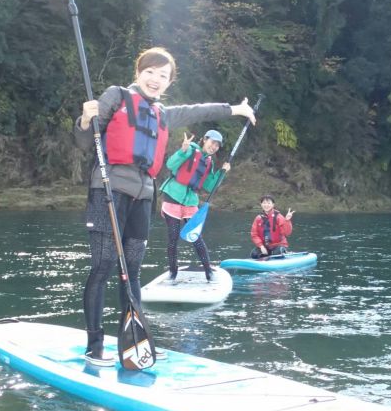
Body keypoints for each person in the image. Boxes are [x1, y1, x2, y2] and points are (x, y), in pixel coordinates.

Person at [73, 47, 256, 366]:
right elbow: (84, 141)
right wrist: (86, 119)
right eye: (151, 72)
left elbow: (199, 110)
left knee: (131, 271)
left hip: (144, 196)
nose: (156, 79)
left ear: (169, 82)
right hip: (109, 189)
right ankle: (94, 345)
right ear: (138, 71)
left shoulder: (164, 114)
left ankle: (132, 345)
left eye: (163, 75)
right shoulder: (115, 97)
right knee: (103, 264)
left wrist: (236, 109)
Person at [159, 129, 230, 281]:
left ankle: (208, 271)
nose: (214, 147)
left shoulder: (209, 162)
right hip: (173, 195)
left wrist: (222, 172)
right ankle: (173, 271)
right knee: (173, 237)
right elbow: (170, 164)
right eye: (212, 142)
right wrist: (183, 150)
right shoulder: (190, 149)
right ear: (205, 139)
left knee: (196, 238)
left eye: (217, 145)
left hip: (191, 201)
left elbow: (210, 186)